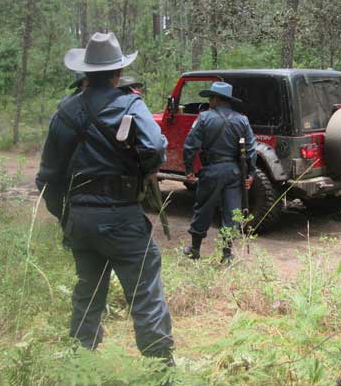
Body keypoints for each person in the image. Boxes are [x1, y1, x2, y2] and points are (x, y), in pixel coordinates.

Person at [36, 32, 173, 362]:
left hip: (80, 219)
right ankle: (161, 372)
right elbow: (155, 147)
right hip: (121, 216)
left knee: (88, 291)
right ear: (117, 74)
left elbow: (47, 178)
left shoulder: (65, 112)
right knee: (144, 293)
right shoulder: (129, 104)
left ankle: (79, 364)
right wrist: (144, 167)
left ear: (85, 72)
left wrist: (66, 217)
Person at [182, 81, 257, 263]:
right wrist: (251, 174)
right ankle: (227, 254)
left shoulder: (204, 118)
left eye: (210, 98)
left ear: (216, 99)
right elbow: (251, 150)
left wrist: (190, 170)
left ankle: (195, 249)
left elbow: (190, 146)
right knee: (232, 212)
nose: (209, 102)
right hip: (234, 172)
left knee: (204, 209)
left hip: (211, 170)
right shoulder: (242, 120)